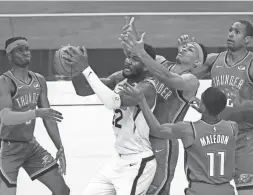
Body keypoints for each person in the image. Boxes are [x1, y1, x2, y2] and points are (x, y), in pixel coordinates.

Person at [120, 17, 207, 195]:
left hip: (163, 142)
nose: (184, 49)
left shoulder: (191, 81)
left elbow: (167, 77)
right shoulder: (161, 62)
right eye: (185, 46)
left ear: (197, 63)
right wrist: (131, 35)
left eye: (190, 50)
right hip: (141, 138)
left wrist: (141, 53)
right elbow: (139, 54)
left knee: (158, 191)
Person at [64, 41, 157, 195]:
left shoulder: (146, 88)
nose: (128, 60)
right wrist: (74, 69)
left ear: (146, 65)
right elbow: (83, 89)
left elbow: (111, 101)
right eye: (128, 56)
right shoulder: (119, 78)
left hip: (138, 162)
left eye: (135, 59)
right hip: (118, 161)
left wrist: (86, 69)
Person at [122, 84, 238, 195]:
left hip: (199, 190)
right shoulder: (233, 127)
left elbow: (156, 130)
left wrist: (142, 101)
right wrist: (206, 111)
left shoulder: (188, 129)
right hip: (227, 190)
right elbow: (216, 121)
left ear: (203, 105)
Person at [187, 20, 253, 195]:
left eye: (237, 32)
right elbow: (186, 80)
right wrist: (187, 58)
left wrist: (238, 107)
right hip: (217, 137)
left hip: (244, 138)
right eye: (230, 30)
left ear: (248, 41)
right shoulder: (214, 59)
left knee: (246, 191)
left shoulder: (251, 64)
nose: (230, 34)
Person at [0, 37, 69, 195]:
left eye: (27, 48)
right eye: (19, 50)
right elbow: (6, 118)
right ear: (9, 56)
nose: (25, 52)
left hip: (31, 147)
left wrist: (60, 147)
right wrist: (36, 113)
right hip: (8, 149)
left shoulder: (39, 80)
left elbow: (48, 117)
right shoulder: (5, 81)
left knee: (62, 191)